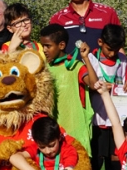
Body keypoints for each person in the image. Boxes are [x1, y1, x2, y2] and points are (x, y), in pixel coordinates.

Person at [81, 24, 127, 170]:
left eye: (116, 49)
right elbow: (89, 84)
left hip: (117, 122)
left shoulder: (123, 60)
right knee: (96, 162)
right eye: (109, 49)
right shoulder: (90, 60)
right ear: (100, 42)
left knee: (116, 161)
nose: (112, 53)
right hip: (97, 121)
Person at [39, 24, 92, 158]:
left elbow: (93, 84)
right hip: (52, 136)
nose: (44, 50)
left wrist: (86, 58)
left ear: (61, 45)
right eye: (42, 46)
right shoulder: (44, 70)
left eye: (48, 46)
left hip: (75, 133)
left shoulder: (76, 66)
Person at [49, 0, 122, 54]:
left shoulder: (108, 13)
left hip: (103, 67)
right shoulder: (57, 19)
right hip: (71, 67)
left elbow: (119, 47)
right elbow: (53, 52)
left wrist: (124, 66)